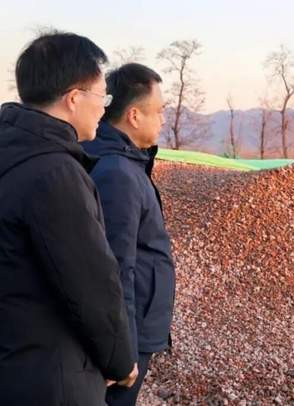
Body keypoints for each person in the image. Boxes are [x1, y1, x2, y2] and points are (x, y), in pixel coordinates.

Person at [0, 31, 137, 405]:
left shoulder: (13, 153)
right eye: (102, 97)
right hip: (49, 377)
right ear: (74, 99)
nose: (104, 109)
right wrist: (120, 361)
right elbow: (90, 284)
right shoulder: (55, 173)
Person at [82, 63, 176, 406]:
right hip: (128, 337)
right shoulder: (117, 173)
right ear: (134, 116)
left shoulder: (128, 163)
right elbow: (115, 270)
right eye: (159, 111)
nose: (163, 120)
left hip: (137, 328)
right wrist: (124, 352)